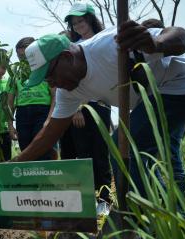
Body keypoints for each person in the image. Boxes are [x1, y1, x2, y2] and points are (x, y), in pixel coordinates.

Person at [14, 20, 185, 200]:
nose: (51, 84)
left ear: (67, 57)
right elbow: (49, 133)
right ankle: (167, 217)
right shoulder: (67, 90)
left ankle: (144, 217)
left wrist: (156, 44)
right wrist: (14, 163)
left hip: (184, 83)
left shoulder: (109, 46)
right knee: (136, 153)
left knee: (125, 145)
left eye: (49, 76)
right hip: (155, 96)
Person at [62, 1, 112, 214]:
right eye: (74, 23)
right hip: (82, 108)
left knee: (101, 153)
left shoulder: (105, 39)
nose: (78, 26)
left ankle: (105, 199)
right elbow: (71, 82)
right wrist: (77, 109)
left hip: (103, 105)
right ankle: (88, 199)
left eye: (81, 21)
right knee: (83, 154)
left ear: (91, 19)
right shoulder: (73, 48)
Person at [7, 37, 55, 161]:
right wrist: (10, 125)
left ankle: (47, 179)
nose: (22, 59)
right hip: (22, 113)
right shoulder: (15, 71)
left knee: (42, 148)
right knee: (25, 149)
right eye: (19, 56)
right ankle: (30, 179)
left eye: (25, 56)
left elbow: (55, 95)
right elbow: (10, 101)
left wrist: (49, 118)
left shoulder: (45, 67)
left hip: (42, 111)